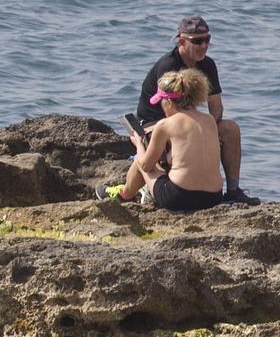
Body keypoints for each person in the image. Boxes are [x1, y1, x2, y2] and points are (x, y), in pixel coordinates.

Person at [131, 15, 257, 205]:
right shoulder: (169, 66)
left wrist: (207, 130)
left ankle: (233, 190)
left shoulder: (208, 65)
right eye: (198, 41)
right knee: (172, 137)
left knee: (230, 129)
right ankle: (139, 189)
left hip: (187, 119)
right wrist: (195, 130)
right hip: (155, 122)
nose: (204, 46)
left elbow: (216, 107)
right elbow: (169, 110)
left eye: (208, 40)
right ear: (182, 41)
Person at [110, 69, 225, 212]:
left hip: (179, 197)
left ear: (169, 102)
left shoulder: (165, 124)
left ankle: (124, 195)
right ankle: (131, 193)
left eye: (161, 102)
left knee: (141, 161)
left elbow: (145, 165)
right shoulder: (209, 120)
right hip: (214, 198)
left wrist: (139, 143)